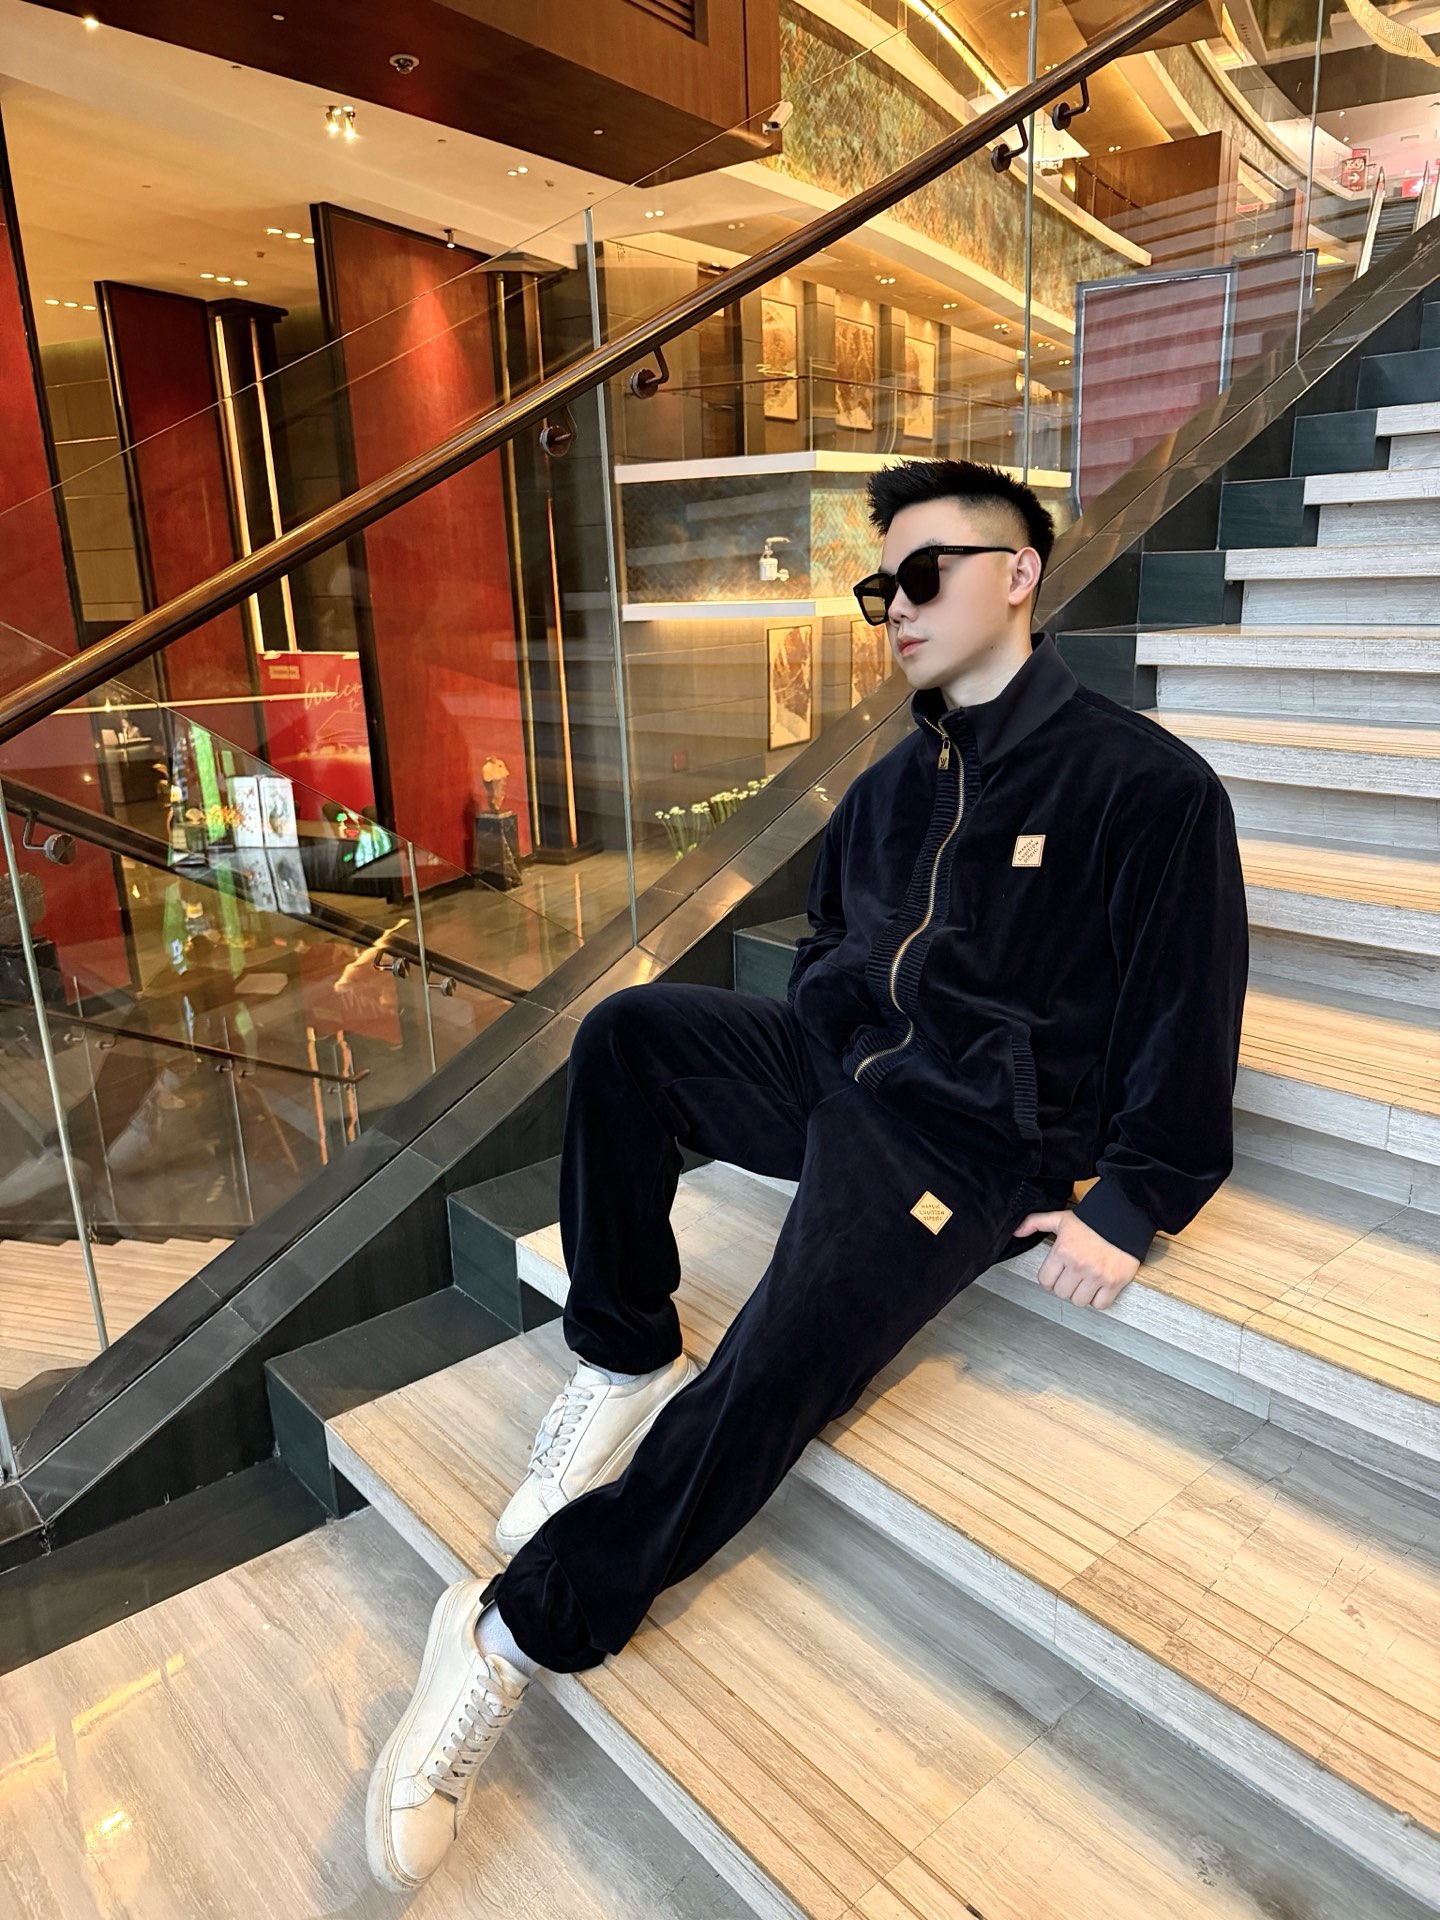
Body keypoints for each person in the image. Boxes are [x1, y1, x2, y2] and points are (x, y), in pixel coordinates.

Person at [366, 458, 1251, 1892]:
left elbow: (1189, 1009)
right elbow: (835, 940)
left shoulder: (1144, 786)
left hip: (968, 1142)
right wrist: (830, 1032)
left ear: (1018, 573)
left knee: (778, 1365)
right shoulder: (892, 784)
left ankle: (508, 1635)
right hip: (846, 1074)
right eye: (877, 586)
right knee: (629, 1035)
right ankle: (622, 1351)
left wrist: (1134, 1199)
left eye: (924, 575)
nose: (894, 606)